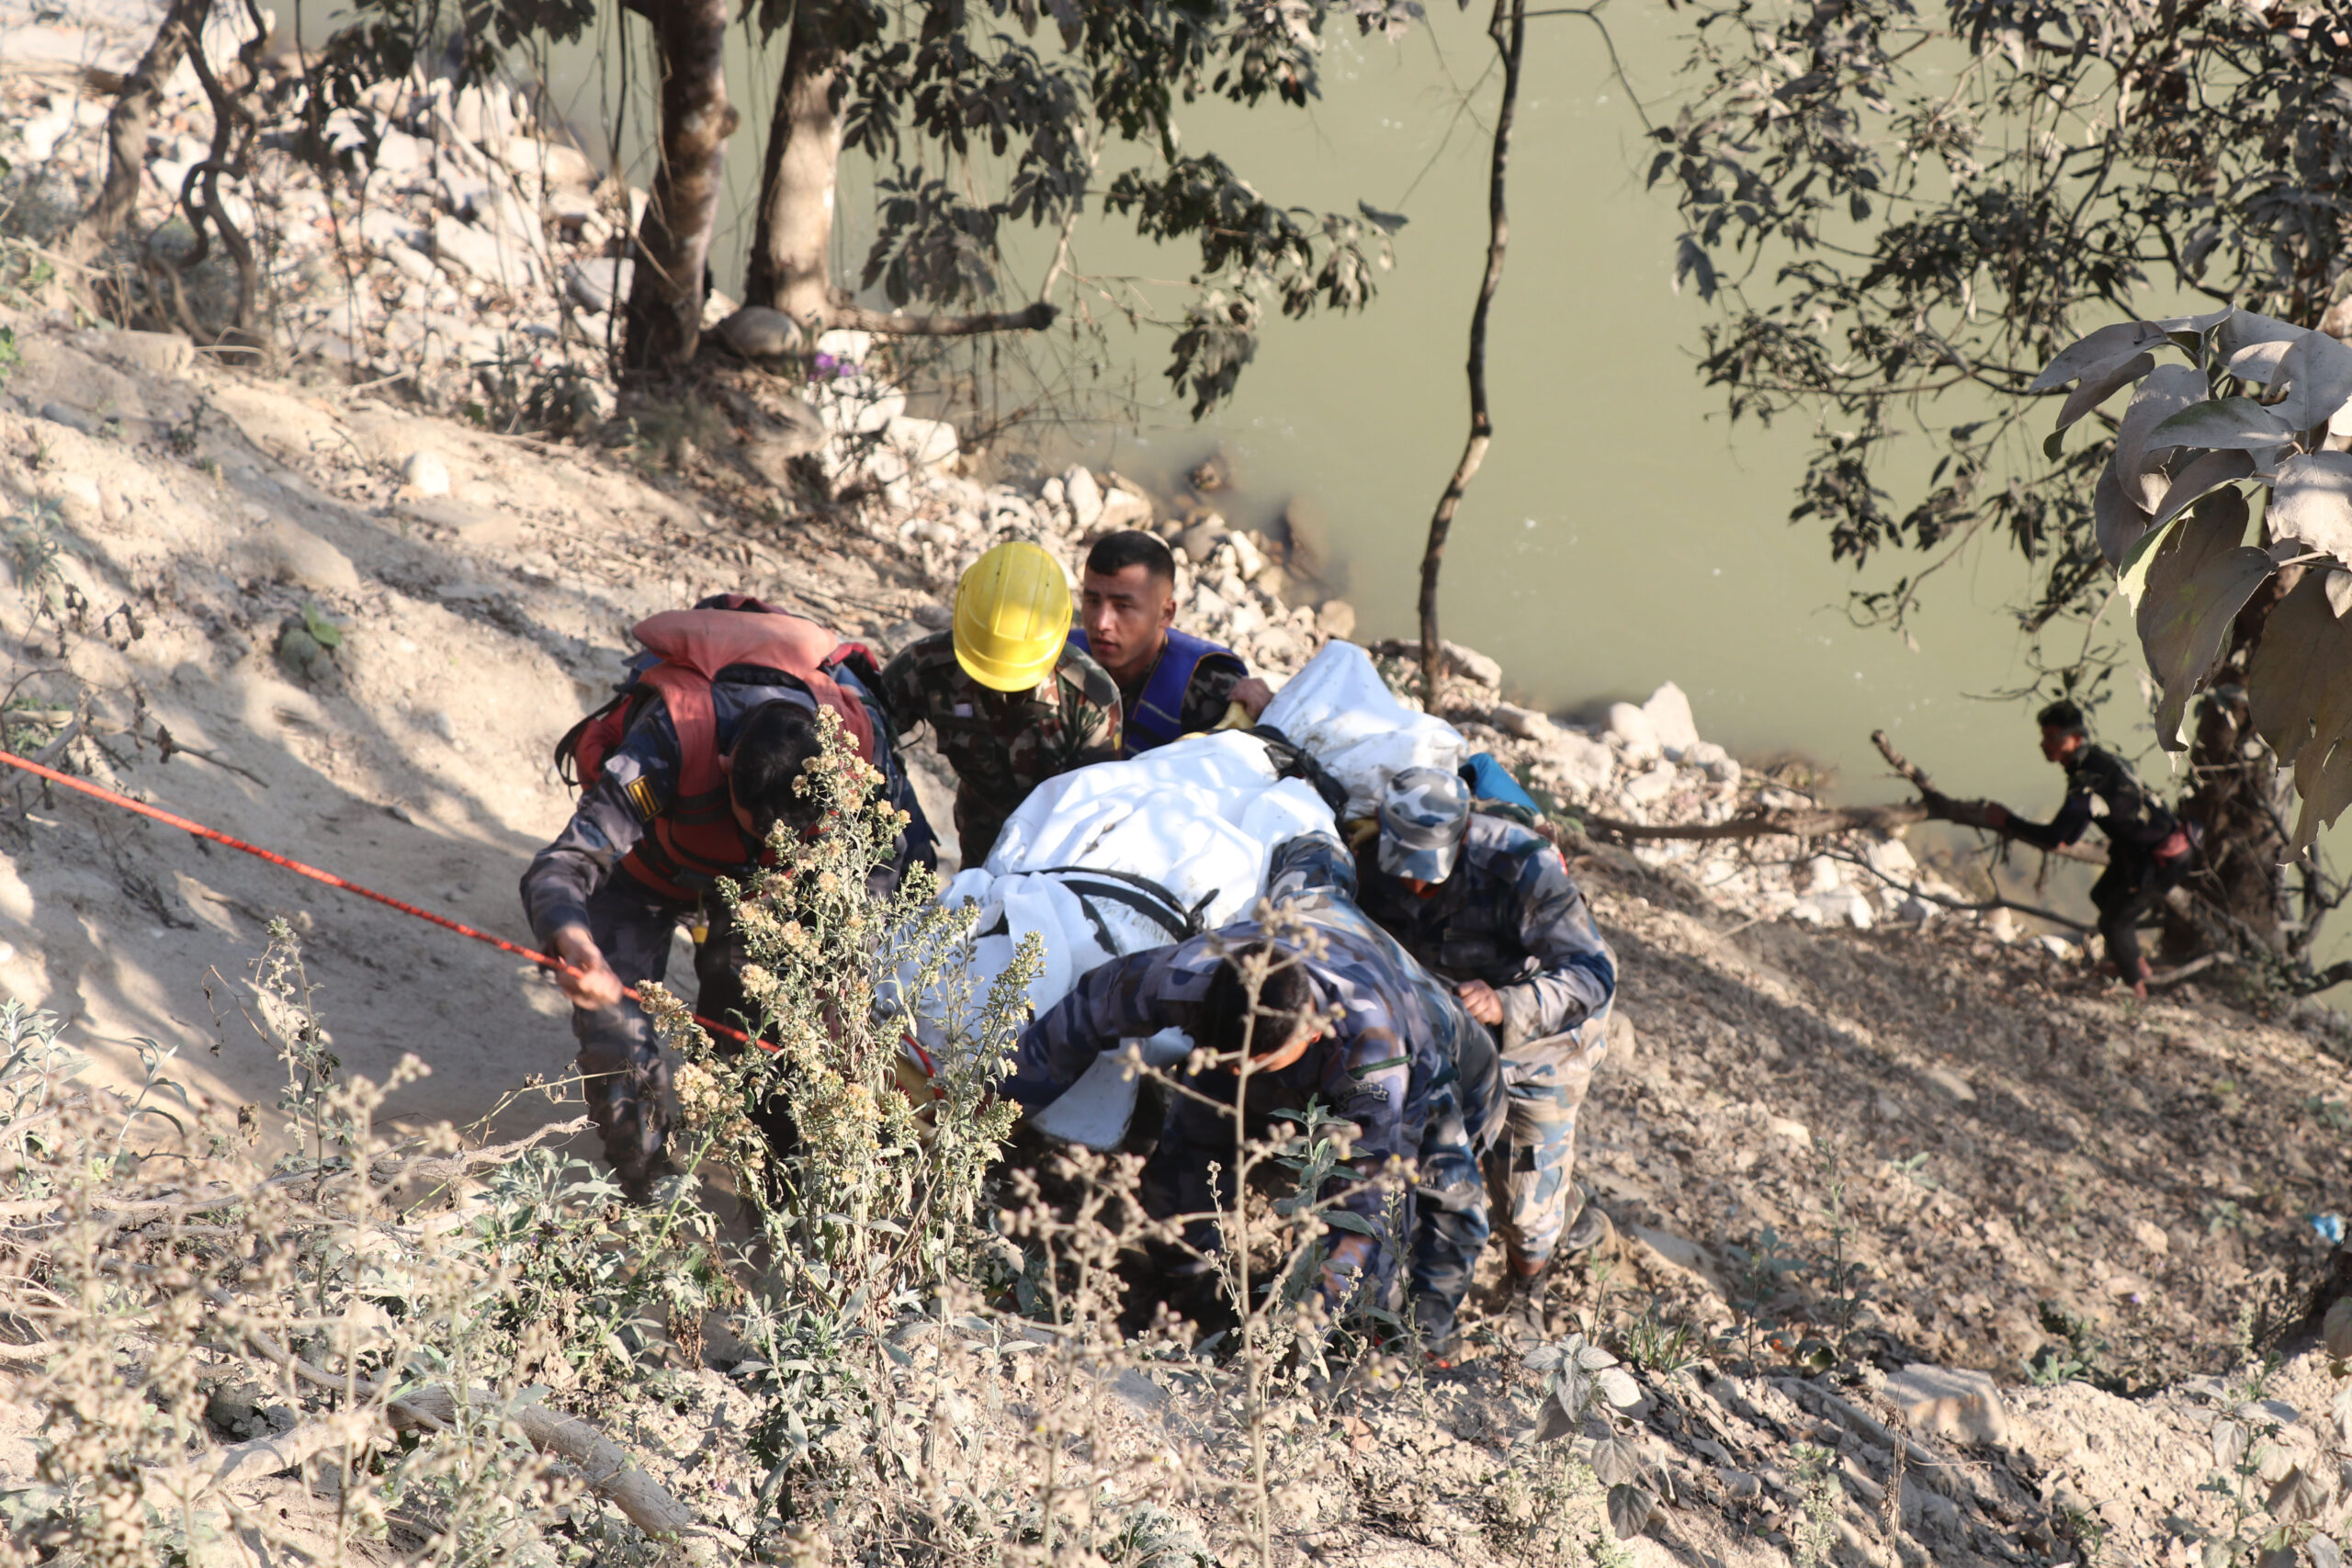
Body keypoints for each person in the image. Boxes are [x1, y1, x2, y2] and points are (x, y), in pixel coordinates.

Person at [1003, 831, 1503, 1348]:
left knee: (1431, 1214)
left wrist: (1304, 1332)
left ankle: (1417, 1344)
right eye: (1229, 1060)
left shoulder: (1374, 1059)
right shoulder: (1191, 974)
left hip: (1441, 1051)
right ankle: (1196, 1295)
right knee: (1181, 1168)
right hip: (1322, 968)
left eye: (1255, 1064)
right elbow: (1084, 1015)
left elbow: (1366, 1211)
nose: (1240, 1076)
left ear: (1310, 1034)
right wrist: (988, 1117)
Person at [524, 594, 937, 1198]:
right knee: (616, 1032)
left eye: (790, 834)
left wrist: (846, 972)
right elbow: (561, 866)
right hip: (645, 873)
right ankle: (645, 1185)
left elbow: (890, 864)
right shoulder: (670, 739)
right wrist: (576, 944)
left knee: (759, 1034)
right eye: (757, 825)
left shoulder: (854, 750)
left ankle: (770, 1187)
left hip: (761, 894)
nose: (771, 840)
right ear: (723, 765)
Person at [1303, 768, 1617, 1305]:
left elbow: (1593, 974)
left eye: (1428, 873)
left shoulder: (1520, 866)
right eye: (1404, 869)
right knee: (1419, 1170)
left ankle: (1527, 1289)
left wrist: (1507, 1004)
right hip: (1436, 1036)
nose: (1415, 887)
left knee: (1525, 1206)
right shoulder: (1360, 853)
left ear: (1464, 835)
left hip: (1535, 1048)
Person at [879, 540, 1124, 865]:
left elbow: (1092, 812)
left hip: (1051, 855)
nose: (997, 688)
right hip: (978, 838)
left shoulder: (1091, 701)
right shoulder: (925, 667)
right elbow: (865, 739)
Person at [1985, 698, 2195, 998]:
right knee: (2102, 895)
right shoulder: (2097, 762)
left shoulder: (2086, 778)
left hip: (2160, 859)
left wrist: (2008, 820)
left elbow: (2056, 837)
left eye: (2052, 737)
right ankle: (2133, 964)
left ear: (2075, 738)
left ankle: (2137, 992)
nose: (2044, 745)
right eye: (2044, 737)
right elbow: (2070, 833)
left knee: (2114, 921)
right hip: (2140, 851)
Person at [1071, 529, 1274, 756]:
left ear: (1166, 613)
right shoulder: (1061, 657)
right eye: (1092, 601)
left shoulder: (1207, 686)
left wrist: (1270, 714)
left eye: (1123, 606)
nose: (1101, 623)